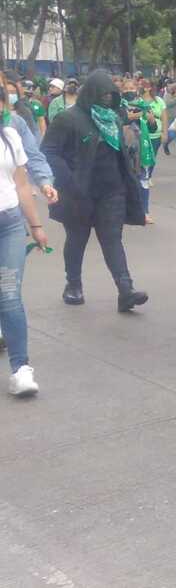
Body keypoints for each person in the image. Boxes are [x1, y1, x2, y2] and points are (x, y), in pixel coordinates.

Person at [41, 70, 148, 312]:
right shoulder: (68, 119)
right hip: (78, 192)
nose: (107, 100)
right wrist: (67, 180)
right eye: (103, 95)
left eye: (112, 95)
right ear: (90, 94)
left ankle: (125, 290)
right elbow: (49, 150)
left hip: (112, 191)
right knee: (77, 239)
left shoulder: (113, 117)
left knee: (112, 239)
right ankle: (73, 285)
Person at [0, 90, 52, 396]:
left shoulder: (9, 136)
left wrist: (36, 225)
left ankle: (21, 369)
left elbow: (21, 184)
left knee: (8, 294)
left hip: (9, 224)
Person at [120, 79, 158, 223]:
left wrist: (151, 119)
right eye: (126, 88)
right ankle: (124, 211)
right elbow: (118, 121)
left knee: (143, 180)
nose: (129, 90)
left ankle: (144, 212)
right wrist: (130, 117)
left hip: (142, 148)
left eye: (132, 88)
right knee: (125, 180)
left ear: (137, 89)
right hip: (125, 147)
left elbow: (153, 128)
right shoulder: (119, 105)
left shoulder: (144, 106)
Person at [161, 82, 176, 156]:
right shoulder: (167, 95)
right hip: (169, 118)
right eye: (175, 88)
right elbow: (167, 104)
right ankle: (165, 144)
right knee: (172, 135)